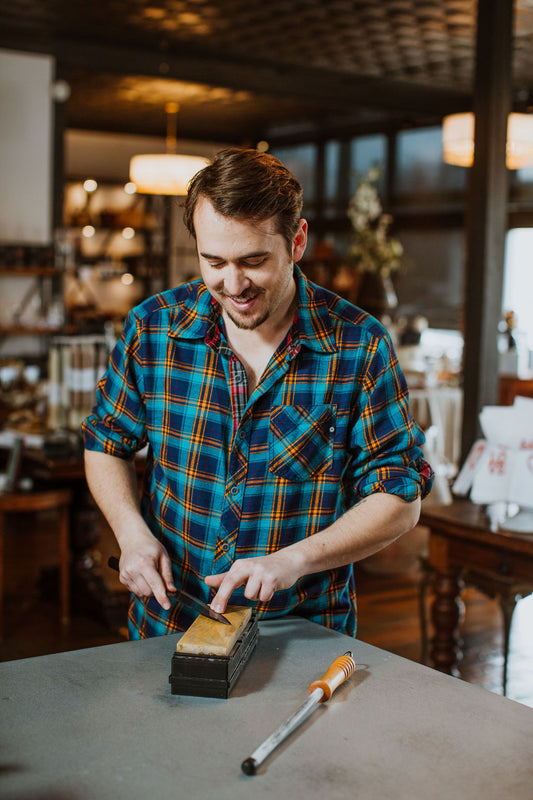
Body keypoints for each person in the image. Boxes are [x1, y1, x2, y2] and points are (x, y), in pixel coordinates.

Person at [82, 147, 433, 640]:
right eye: (214, 261)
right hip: (168, 625)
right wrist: (131, 533)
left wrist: (295, 560)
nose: (233, 283)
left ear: (298, 241)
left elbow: (400, 495)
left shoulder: (359, 345)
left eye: (253, 260)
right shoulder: (153, 330)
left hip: (301, 634)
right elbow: (105, 443)